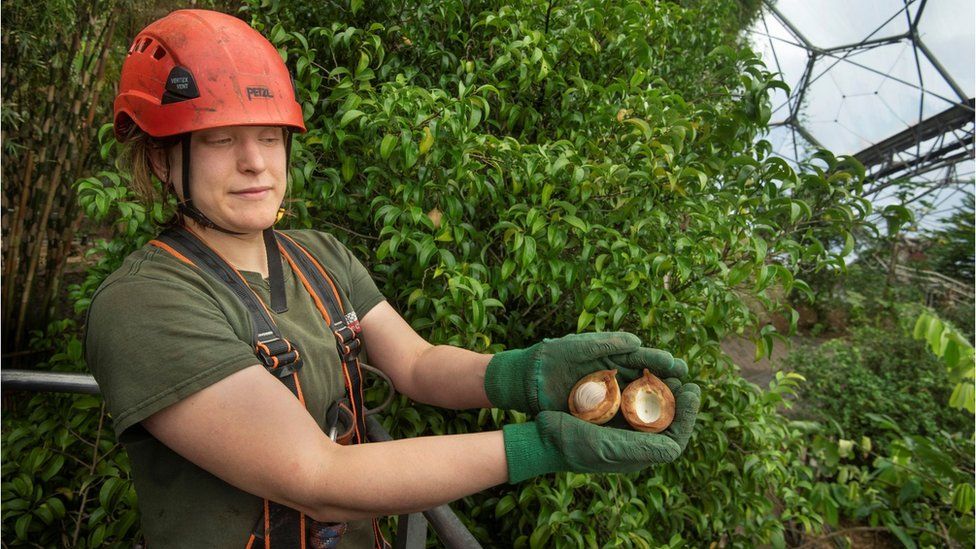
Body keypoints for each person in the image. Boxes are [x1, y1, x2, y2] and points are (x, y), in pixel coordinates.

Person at [85, 9, 702, 549]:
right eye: (220, 140)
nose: (255, 163)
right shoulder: (146, 304)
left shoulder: (318, 257)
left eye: (271, 138)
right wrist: (543, 446)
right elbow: (319, 478)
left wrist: (528, 373)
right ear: (162, 158)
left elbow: (417, 365)